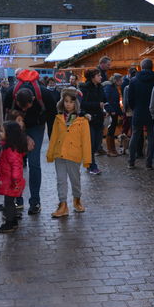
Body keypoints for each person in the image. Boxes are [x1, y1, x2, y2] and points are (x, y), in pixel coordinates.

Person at [3, 69, 57, 215]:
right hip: (16, 126)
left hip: (37, 126)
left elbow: (53, 119)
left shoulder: (44, 94)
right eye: (21, 107)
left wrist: (53, 141)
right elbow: (6, 118)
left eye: (26, 107)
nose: (24, 110)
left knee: (34, 163)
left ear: (33, 99)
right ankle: (17, 199)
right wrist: (20, 137)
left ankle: (35, 201)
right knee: (16, 162)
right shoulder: (10, 94)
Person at [47, 87, 92, 217]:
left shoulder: (82, 120)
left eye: (71, 101)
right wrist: (50, 153)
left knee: (75, 179)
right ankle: (62, 205)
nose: (68, 104)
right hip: (59, 154)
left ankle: (77, 199)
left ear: (76, 103)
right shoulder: (58, 118)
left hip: (74, 155)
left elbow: (86, 141)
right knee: (61, 180)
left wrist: (87, 159)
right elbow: (54, 137)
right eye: (66, 101)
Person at [0, 121, 27, 233]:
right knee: (10, 202)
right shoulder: (7, 147)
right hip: (9, 181)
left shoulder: (11, 150)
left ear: (10, 134)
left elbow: (16, 167)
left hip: (12, 183)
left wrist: (15, 181)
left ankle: (9, 223)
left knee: (8, 203)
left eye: (2, 131)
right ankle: (13, 221)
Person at [128, 58, 154, 169]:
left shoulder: (134, 80)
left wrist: (135, 108)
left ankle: (131, 161)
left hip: (138, 111)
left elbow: (130, 99)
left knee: (135, 136)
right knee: (151, 138)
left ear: (141, 67)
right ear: (152, 66)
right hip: (152, 112)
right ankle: (149, 163)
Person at [79, 68, 106, 175]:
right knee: (91, 143)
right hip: (88, 119)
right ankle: (91, 165)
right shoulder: (85, 88)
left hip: (99, 118)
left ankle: (89, 162)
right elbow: (82, 104)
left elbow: (104, 99)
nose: (101, 77)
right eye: (98, 75)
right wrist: (97, 105)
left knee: (97, 143)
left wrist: (105, 106)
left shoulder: (100, 87)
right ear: (92, 77)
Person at [103, 73, 122, 157]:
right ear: (116, 80)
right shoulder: (109, 87)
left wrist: (120, 112)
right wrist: (111, 110)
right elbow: (106, 100)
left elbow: (116, 102)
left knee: (112, 131)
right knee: (110, 131)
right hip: (111, 113)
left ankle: (113, 149)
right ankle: (110, 150)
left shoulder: (114, 88)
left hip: (115, 112)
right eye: (120, 80)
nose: (121, 82)